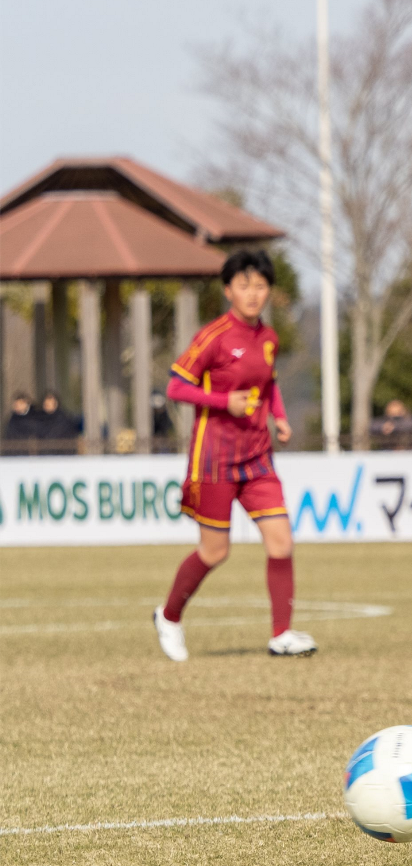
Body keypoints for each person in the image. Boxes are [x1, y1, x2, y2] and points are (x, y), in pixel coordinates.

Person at [151, 250, 316, 661]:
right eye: (244, 285)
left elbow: (270, 383)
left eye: (260, 286)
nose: (253, 294)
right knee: (215, 551)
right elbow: (176, 387)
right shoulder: (213, 336)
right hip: (214, 459)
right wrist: (225, 402)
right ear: (228, 290)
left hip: (258, 458)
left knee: (281, 542)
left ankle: (282, 634)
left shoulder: (269, 338)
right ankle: (169, 616)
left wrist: (278, 417)